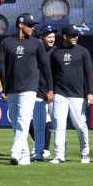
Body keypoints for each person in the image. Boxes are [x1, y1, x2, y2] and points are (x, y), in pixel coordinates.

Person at [0, 13, 51, 165]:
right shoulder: (6, 42)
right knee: (16, 121)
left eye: (34, 25)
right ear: (20, 25)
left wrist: (50, 89)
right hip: (12, 87)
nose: (33, 28)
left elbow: (46, 68)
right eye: (30, 25)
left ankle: (15, 150)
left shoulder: (36, 43)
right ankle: (25, 156)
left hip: (30, 86)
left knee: (24, 117)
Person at [48, 25, 93, 164]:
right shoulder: (55, 53)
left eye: (77, 35)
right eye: (73, 35)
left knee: (80, 126)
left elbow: (89, 74)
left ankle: (85, 152)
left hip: (77, 95)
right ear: (65, 36)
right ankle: (59, 155)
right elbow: (50, 75)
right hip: (60, 94)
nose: (76, 37)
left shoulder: (83, 51)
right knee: (59, 126)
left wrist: (90, 93)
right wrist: (51, 90)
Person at [32, 24, 58, 160]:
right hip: (37, 90)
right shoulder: (35, 51)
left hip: (54, 91)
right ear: (41, 38)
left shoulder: (56, 52)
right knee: (37, 122)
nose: (52, 39)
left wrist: (52, 90)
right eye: (49, 36)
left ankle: (51, 151)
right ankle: (40, 149)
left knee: (56, 123)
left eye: (53, 36)